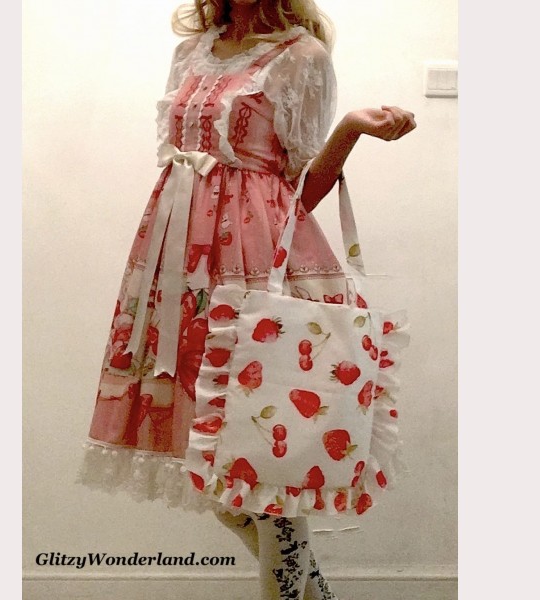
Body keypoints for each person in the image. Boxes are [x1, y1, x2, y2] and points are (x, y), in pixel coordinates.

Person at [77, 1, 416, 598]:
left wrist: (350, 130)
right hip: (178, 267)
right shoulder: (192, 50)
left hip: (255, 267)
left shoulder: (301, 56)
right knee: (216, 469)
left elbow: (299, 191)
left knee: (263, 469)